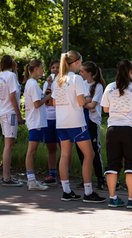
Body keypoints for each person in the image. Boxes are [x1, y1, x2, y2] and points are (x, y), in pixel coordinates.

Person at [52, 50, 106, 203]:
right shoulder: (76, 79)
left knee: (64, 155)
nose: (81, 66)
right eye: (80, 63)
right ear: (75, 63)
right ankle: (88, 192)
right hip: (76, 122)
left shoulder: (58, 79)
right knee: (90, 155)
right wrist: (87, 97)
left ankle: (66, 191)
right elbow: (82, 102)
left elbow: (54, 102)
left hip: (61, 122)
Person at [101, 60, 132, 208]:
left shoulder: (109, 87)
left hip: (113, 130)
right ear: (130, 71)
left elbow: (105, 110)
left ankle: (113, 197)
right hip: (131, 130)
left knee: (113, 164)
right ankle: (131, 199)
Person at [76, 61, 106, 190]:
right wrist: (84, 102)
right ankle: (85, 178)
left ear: (90, 73)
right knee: (81, 151)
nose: (80, 73)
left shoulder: (98, 86)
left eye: (82, 71)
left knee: (94, 150)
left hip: (92, 122)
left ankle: (101, 179)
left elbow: (92, 105)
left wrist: (83, 102)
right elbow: (80, 101)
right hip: (81, 121)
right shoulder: (80, 83)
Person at [24, 59, 52, 191]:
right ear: (35, 69)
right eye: (41, 67)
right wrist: (50, 96)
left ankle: (32, 180)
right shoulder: (33, 84)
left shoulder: (33, 83)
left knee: (32, 151)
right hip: (35, 122)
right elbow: (37, 104)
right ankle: (31, 181)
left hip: (36, 121)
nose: (43, 70)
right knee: (31, 151)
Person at [0, 55, 24, 187]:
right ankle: (6, 177)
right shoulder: (11, 76)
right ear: (11, 63)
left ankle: (6, 176)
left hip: (3, 111)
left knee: (8, 144)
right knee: (9, 145)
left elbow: (14, 89)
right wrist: (19, 115)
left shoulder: (0, 75)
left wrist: (15, 70)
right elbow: (13, 96)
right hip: (10, 113)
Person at [42, 59, 60, 186]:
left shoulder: (63, 82)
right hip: (48, 118)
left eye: (58, 67)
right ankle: (52, 174)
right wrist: (49, 85)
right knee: (51, 148)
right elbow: (46, 101)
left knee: (65, 148)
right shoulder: (46, 83)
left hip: (61, 118)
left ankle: (64, 174)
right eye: (53, 67)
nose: (55, 69)